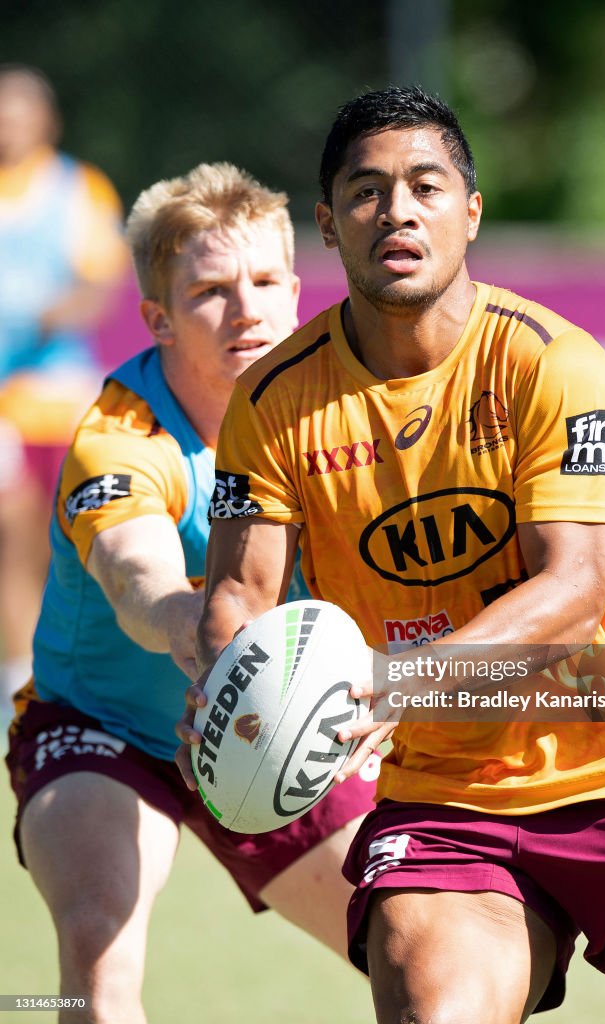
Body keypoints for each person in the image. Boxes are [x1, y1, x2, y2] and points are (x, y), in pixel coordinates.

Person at [177, 87, 605, 1023]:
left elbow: (573, 592)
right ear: (329, 224)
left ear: (470, 212)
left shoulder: (553, 359)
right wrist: (235, 691)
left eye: (425, 185)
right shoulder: (270, 400)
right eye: (367, 191)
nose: (398, 210)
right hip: (445, 787)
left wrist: (395, 684)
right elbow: (238, 595)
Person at [5, 162, 377, 1024]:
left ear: (295, 291)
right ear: (158, 318)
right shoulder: (117, 437)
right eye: (210, 290)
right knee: (97, 947)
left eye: (263, 281)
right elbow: (142, 584)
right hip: (102, 729)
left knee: (415, 949)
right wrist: (205, 636)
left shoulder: (345, 416)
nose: (245, 308)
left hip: (275, 726)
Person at [0, 64, 127, 703]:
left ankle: (81, 677)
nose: (8, 121)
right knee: (12, 542)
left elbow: (96, 285)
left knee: (78, 550)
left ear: (45, 120)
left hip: (60, 397)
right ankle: (16, 681)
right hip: (3, 413)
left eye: (19, 109)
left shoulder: (77, 189)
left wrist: (48, 311)